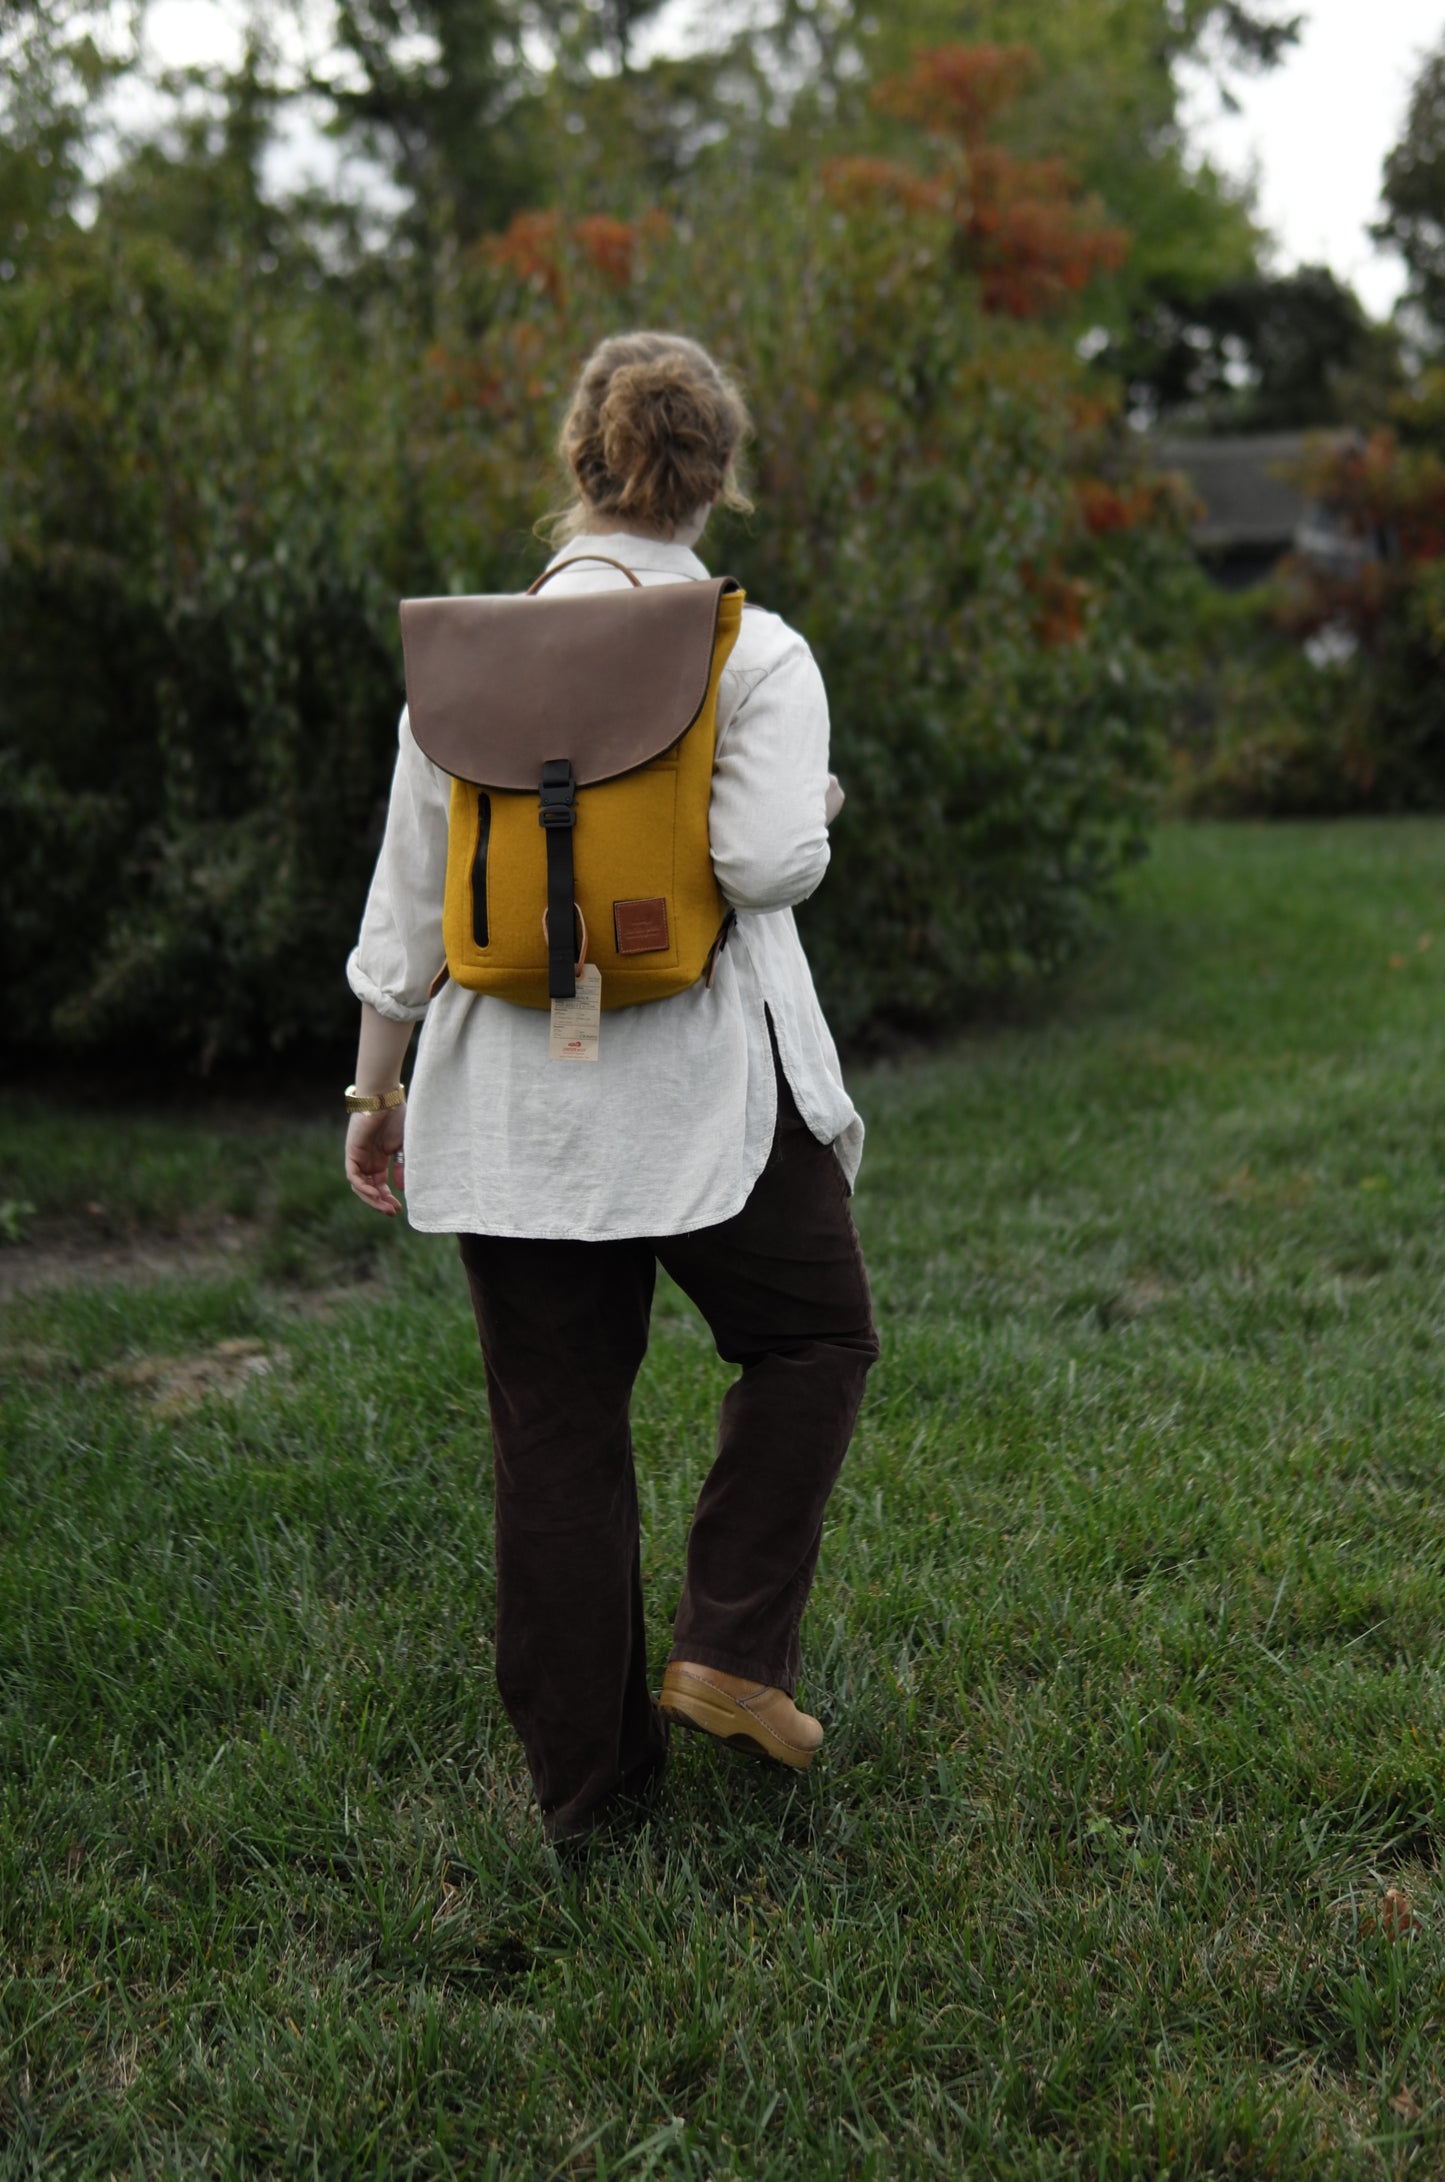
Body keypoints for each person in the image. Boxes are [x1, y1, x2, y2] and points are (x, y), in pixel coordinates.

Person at [343, 330, 879, 1845]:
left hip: (512, 1103)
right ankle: (730, 1646)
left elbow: (408, 903)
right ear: (717, 479)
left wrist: (375, 1095)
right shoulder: (751, 650)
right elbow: (764, 863)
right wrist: (817, 803)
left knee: (555, 1430)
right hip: (705, 1088)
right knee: (813, 1335)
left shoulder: (464, 660)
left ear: (576, 463)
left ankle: (589, 1795)